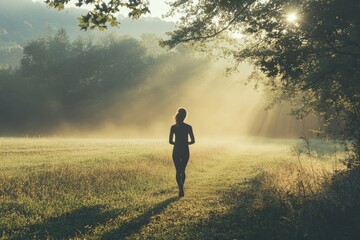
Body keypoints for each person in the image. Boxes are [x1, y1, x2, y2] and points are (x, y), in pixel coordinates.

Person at [169, 108, 195, 197]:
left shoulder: (173, 127)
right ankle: (181, 188)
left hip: (176, 149)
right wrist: (185, 143)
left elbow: (170, 141)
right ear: (185, 116)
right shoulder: (188, 127)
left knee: (178, 170)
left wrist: (177, 143)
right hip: (185, 149)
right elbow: (193, 141)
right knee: (182, 170)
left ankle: (180, 189)